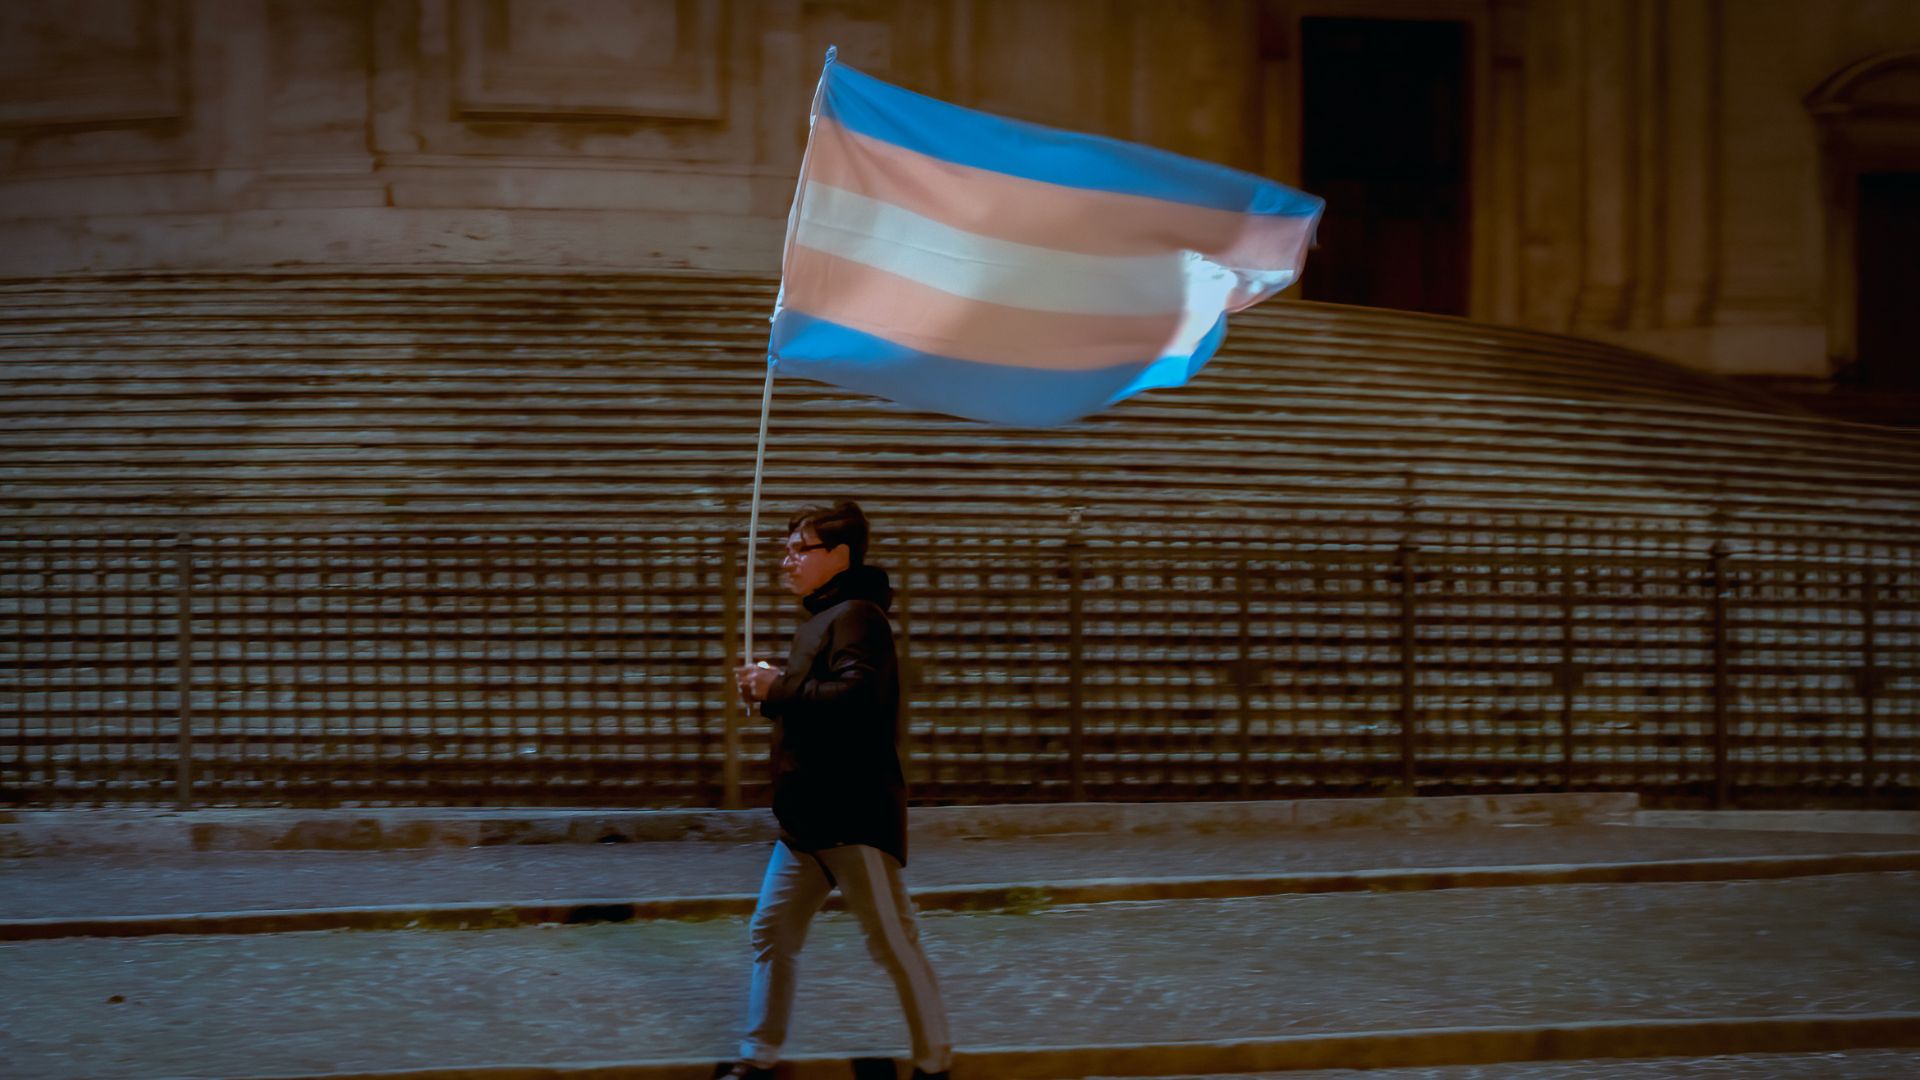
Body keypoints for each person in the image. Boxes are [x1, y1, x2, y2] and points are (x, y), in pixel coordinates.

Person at [716, 501, 953, 1080]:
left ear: (839, 556)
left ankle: (934, 1066)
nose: (788, 558)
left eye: (802, 548)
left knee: (892, 942)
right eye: (788, 547)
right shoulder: (825, 617)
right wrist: (773, 691)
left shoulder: (858, 616)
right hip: (806, 822)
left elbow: (856, 701)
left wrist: (781, 688)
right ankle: (759, 1058)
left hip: (850, 816)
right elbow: (814, 703)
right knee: (772, 933)